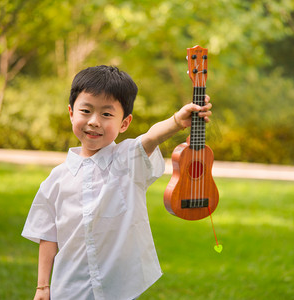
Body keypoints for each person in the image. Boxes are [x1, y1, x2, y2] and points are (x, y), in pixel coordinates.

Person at [22, 65, 212, 300]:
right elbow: (48, 235)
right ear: (71, 113)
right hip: (70, 287)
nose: (94, 121)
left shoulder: (127, 161)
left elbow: (151, 137)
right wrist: (43, 287)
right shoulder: (56, 180)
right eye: (86, 111)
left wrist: (176, 121)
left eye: (106, 114)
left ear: (124, 123)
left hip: (118, 288)